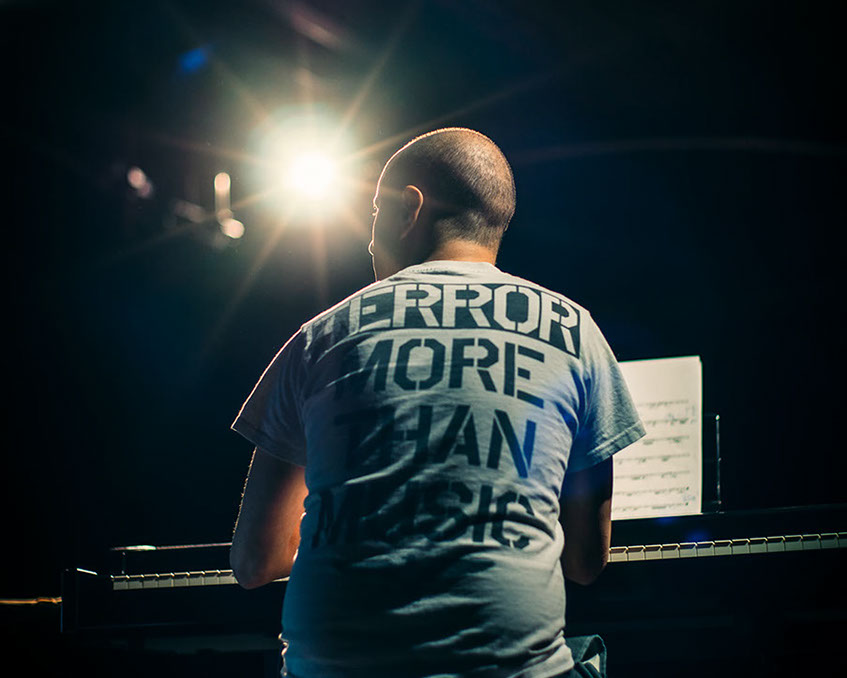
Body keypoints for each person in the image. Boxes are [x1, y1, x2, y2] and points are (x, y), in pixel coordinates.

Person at [229, 127, 646, 678]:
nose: (369, 241)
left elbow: (255, 561)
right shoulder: (575, 332)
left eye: (374, 212)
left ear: (409, 208)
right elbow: (587, 562)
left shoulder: (319, 338)